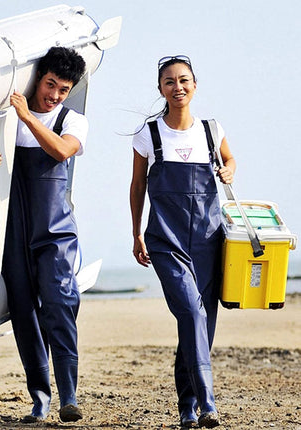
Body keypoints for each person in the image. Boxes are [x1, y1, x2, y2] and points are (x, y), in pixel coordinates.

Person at [129, 55, 236, 429]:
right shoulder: (149, 134)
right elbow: (138, 184)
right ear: (160, 89)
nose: (178, 87)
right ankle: (208, 404)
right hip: (165, 240)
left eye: (184, 80)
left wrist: (228, 170)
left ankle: (187, 407)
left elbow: (230, 160)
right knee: (191, 314)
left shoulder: (211, 129)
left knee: (200, 325)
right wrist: (136, 231)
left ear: (194, 85)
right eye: (170, 82)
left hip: (209, 240)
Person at [0, 46, 88, 423]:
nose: (55, 94)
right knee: (25, 315)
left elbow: (62, 151)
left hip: (55, 232)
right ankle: (40, 399)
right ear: (38, 79)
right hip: (12, 234)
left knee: (59, 307)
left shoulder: (71, 120)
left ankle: (69, 397)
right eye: (50, 85)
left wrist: (27, 116)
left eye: (63, 89)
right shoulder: (6, 119)